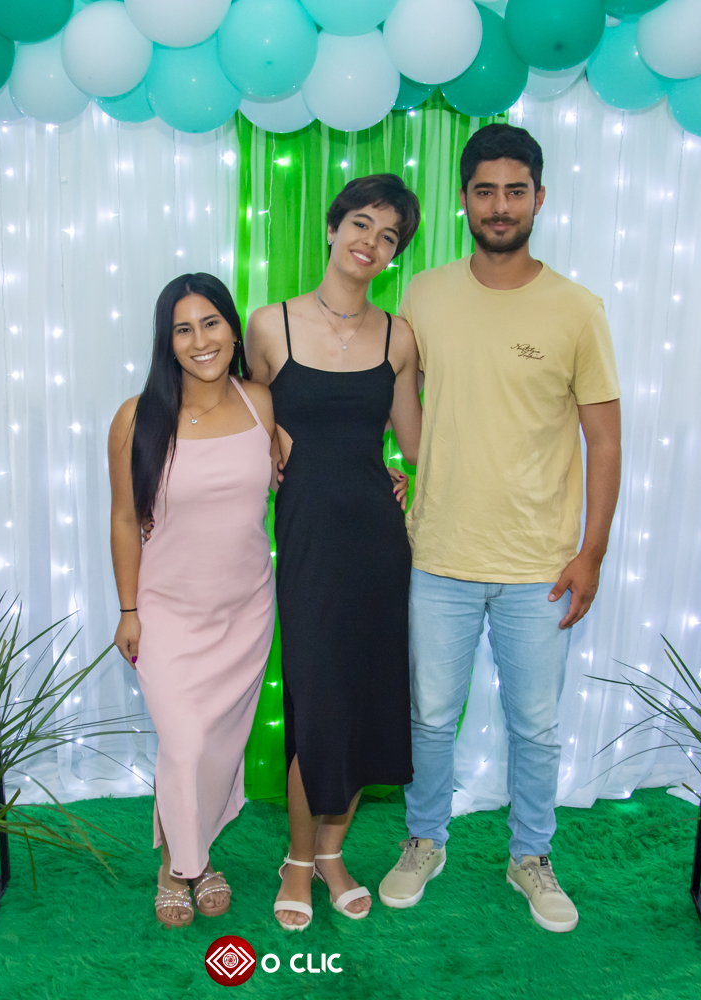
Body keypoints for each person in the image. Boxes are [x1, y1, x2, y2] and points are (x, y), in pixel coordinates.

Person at [377, 124, 623, 934]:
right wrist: (405, 465)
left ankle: (531, 857)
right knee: (428, 715)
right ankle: (424, 840)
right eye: (485, 190)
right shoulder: (425, 295)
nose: (500, 205)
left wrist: (591, 553)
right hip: (439, 553)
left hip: (539, 565)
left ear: (539, 199)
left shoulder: (577, 309)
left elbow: (604, 440)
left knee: (536, 725)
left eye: (516, 190)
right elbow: (400, 392)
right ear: (463, 200)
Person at [244, 174, 424, 931]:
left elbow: (415, 442)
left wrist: (405, 476)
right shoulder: (269, 325)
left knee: (364, 701)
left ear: (394, 253)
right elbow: (245, 414)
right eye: (360, 224)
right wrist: (268, 445)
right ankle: (295, 858)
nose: (370, 243)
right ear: (331, 227)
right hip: (308, 538)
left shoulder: (399, 337)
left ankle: (331, 853)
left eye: (388, 236)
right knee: (317, 701)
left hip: (377, 544)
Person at [107, 272, 279, 928]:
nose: (200, 340)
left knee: (215, 750)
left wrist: (384, 479)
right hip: (168, 614)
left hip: (246, 610)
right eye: (183, 328)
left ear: (232, 329)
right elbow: (125, 518)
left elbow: (299, 473)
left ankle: (194, 856)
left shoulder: (261, 403)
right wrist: (128, 610)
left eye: (211, 323)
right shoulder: (136, 418)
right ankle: (180, 866)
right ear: (166, 341)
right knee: (183, 744)